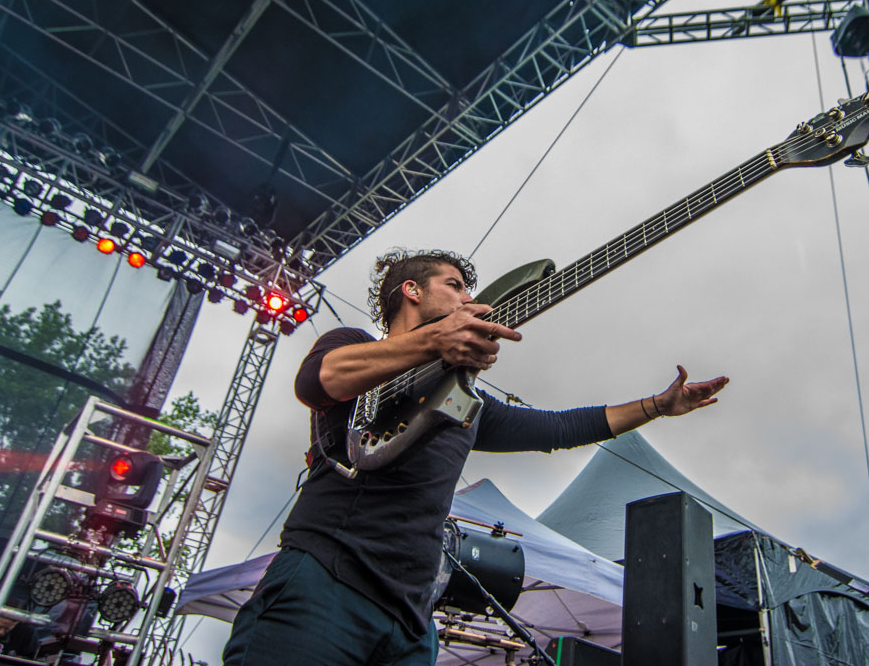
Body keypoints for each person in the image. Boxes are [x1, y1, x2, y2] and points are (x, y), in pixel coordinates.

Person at [223, 249, 729, 666]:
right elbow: (318, 381)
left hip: (410, 619)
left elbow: (559, 428)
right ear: (412, 290)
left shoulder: (465, 404)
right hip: (322, 582)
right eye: (455, 285)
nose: (469, 299)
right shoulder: (354, 346)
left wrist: (656, 406)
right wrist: (434, 341)